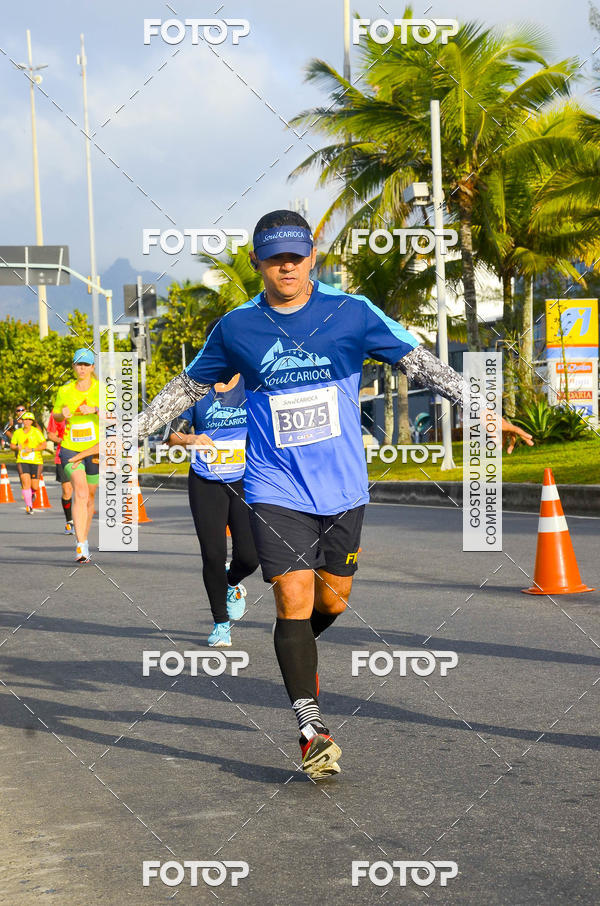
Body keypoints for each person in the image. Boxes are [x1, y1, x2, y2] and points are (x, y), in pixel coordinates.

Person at [137, 209, 533, 780]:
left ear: (312, 258)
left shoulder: (351, 311)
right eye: (275, 259)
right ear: (257, 263)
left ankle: (297, 651)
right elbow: (186, 386)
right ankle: (310, 726)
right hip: (274, 484)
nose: (287, 267)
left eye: (296, 257)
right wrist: (130, 430)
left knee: (333, 601)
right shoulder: (237, 327)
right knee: (293, 597)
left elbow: (418, 363)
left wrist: (482, 408)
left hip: (344, 486)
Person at [166, 323, 259, 647]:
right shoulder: (196, 389)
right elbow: (171, 436)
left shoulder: (252, 382)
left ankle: (232, 583)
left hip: (246, 480)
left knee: (250, 557)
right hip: (206, 481)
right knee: (213, 555)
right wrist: (190, 439)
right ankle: (221, 623)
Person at [51, 347, 100, 563]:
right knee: (79, 491)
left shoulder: (103, 389)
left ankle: (84, 539)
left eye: (86, 364)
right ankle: (80, 545)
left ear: (92, 367)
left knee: (89, 497)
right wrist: (62, 414)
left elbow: (115, 416)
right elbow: (55, 415)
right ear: (73, 366)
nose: (82, 368)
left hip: (95, 449)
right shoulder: (65, 390)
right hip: (70, 448)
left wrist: (96, 410)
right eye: (79, 364)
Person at [10, 412, 46, 514]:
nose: (27, 421)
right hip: (22, 461)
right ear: (22, 421)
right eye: (25, 419)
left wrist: (32, 449)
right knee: (25, 483)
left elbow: (44, 445)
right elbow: (12, 445)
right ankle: (29, 506)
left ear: (32, 422)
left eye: (29, 420)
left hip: (36, 461)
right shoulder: (17, 432)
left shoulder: (36, 432)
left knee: (34, 486)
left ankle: (31, 493)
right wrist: (17, 447)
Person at [46, 410, 74, 533]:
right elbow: (51, 435)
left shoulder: (85, 406)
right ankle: (70, 521)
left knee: (83, 491)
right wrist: (63, 441)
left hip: (83, 454)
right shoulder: (56, 412)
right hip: (63, 455)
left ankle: (81, 518)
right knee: (67, 490)